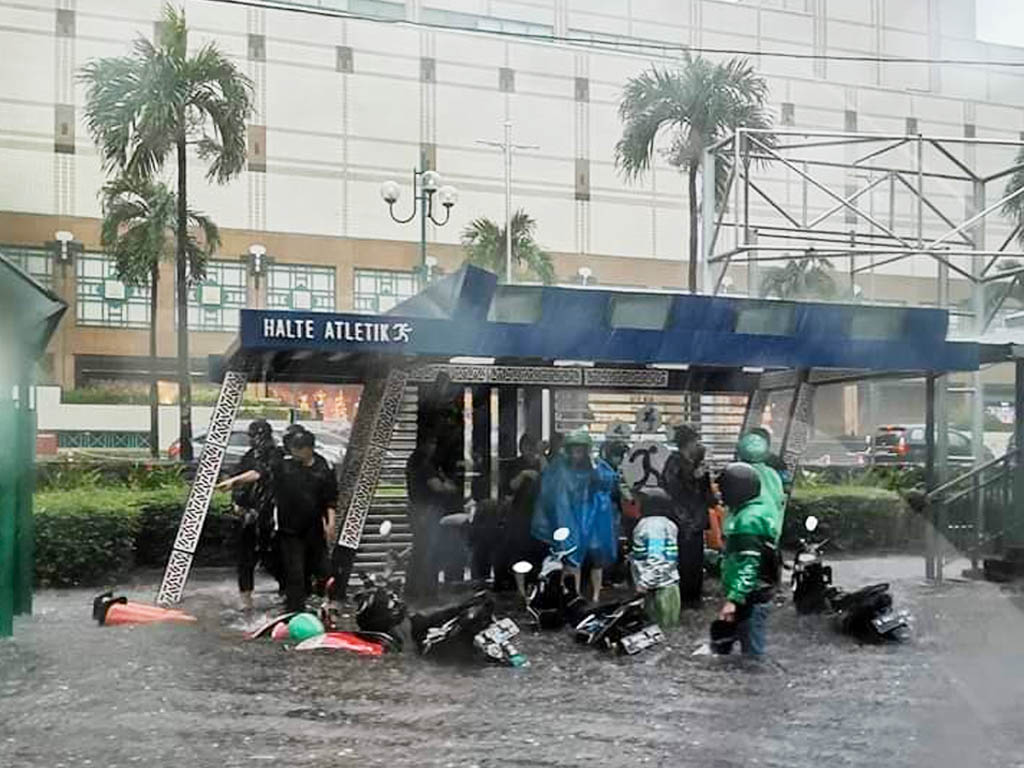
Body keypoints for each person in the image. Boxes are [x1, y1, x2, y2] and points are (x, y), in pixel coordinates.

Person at [219, 429, 337, 613]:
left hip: (314, 528)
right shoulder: (284, 465)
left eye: (298, 449)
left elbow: (330, 498)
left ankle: (327, 605)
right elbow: (259, 473)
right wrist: (234, 482)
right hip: (289, 530)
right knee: (294, 572)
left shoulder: (323, 468)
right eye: (292, 448)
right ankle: (295, 611)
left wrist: (331, 523)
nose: (293, 453)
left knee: (323, 570)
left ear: (308, 449)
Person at [531, 429, 616, 602]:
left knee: (596, 557)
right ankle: (573, 594)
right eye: (574, 449)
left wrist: (594, 468)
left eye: (580, 449)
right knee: (571, 558)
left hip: (592, 518)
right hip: (569, 516)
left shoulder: (596, 465)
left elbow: (608, 482)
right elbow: (551, 489)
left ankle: (596, 596)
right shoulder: (560, 467)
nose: (577, 453)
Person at [716, 462, 780, 657]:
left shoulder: (748, 520)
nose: (721, 495)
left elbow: (748, 566)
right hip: (756, 592)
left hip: (750, 595)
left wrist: (733, 599)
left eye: (724, 489)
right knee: (739, 643)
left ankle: (755, 684)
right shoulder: (758, 510)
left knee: (752, 654)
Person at [227, 419, 282, 610]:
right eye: (254, 436)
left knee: (272, 557)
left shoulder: (276, 455)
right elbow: (240, 480)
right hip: (248, 516)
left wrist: (235, 481)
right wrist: (237, 503)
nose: (257, 440)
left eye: (261, 435)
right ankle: (246, 598)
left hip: (271, 515)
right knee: (245, 558)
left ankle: (287, 591)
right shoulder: (249, 455)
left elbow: (260, 474)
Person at [660, 424, 715, 606]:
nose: (697, 445)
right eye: (695, 441)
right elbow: (672, 488)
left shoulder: (696, 463)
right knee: (684, 558)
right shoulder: (674, 462)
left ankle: (695, 595)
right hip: (682, 517)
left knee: (696, 559)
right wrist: (693, 477)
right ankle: (683, 597)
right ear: (687, 443)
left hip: (697, 517)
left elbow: (706, 493)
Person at [406, 431, 458, 600]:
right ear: (423, 444)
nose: (433, 447)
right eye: (431, 443)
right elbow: (438, 487)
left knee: (420, 551)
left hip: (417, 509)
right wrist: (449, 485)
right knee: (428, 551)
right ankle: (426, 591)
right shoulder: (425, 465)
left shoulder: (414, 462)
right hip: (426, 511)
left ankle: (415, 590)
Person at [630, 488, 681, 629]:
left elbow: (657, 558)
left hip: (658, 592)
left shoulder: (652, 527)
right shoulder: (667, 523)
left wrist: (644, 583)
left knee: (655, 632)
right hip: (669, 586)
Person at [736, 429, 786, 542]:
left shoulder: (736, 469)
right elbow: (780, 497)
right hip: (769, 522)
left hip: (742, 524)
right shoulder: (773, 472)